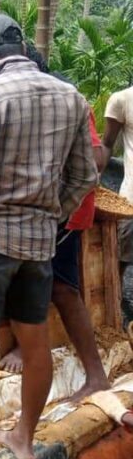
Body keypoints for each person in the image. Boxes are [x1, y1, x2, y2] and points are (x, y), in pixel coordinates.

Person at [0, 14, 97, 459]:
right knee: (35, 342)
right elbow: (85, 175)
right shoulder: (70, 97)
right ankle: (24, 440)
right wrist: (53, 212)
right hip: (38, 244)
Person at [0, 43, 110, 402]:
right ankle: (84, 371)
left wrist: (55, 202)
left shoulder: (64, 99)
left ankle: (86, 373)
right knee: (51, 281)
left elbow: (95, 159)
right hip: (49, 209)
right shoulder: (39, 99)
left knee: (50, 283)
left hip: (63, 210)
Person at [101, 85, 133, 321]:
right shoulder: (122, 100)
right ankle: (116, 314)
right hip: (131, 200)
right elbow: (106, 145)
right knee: (119, 257)